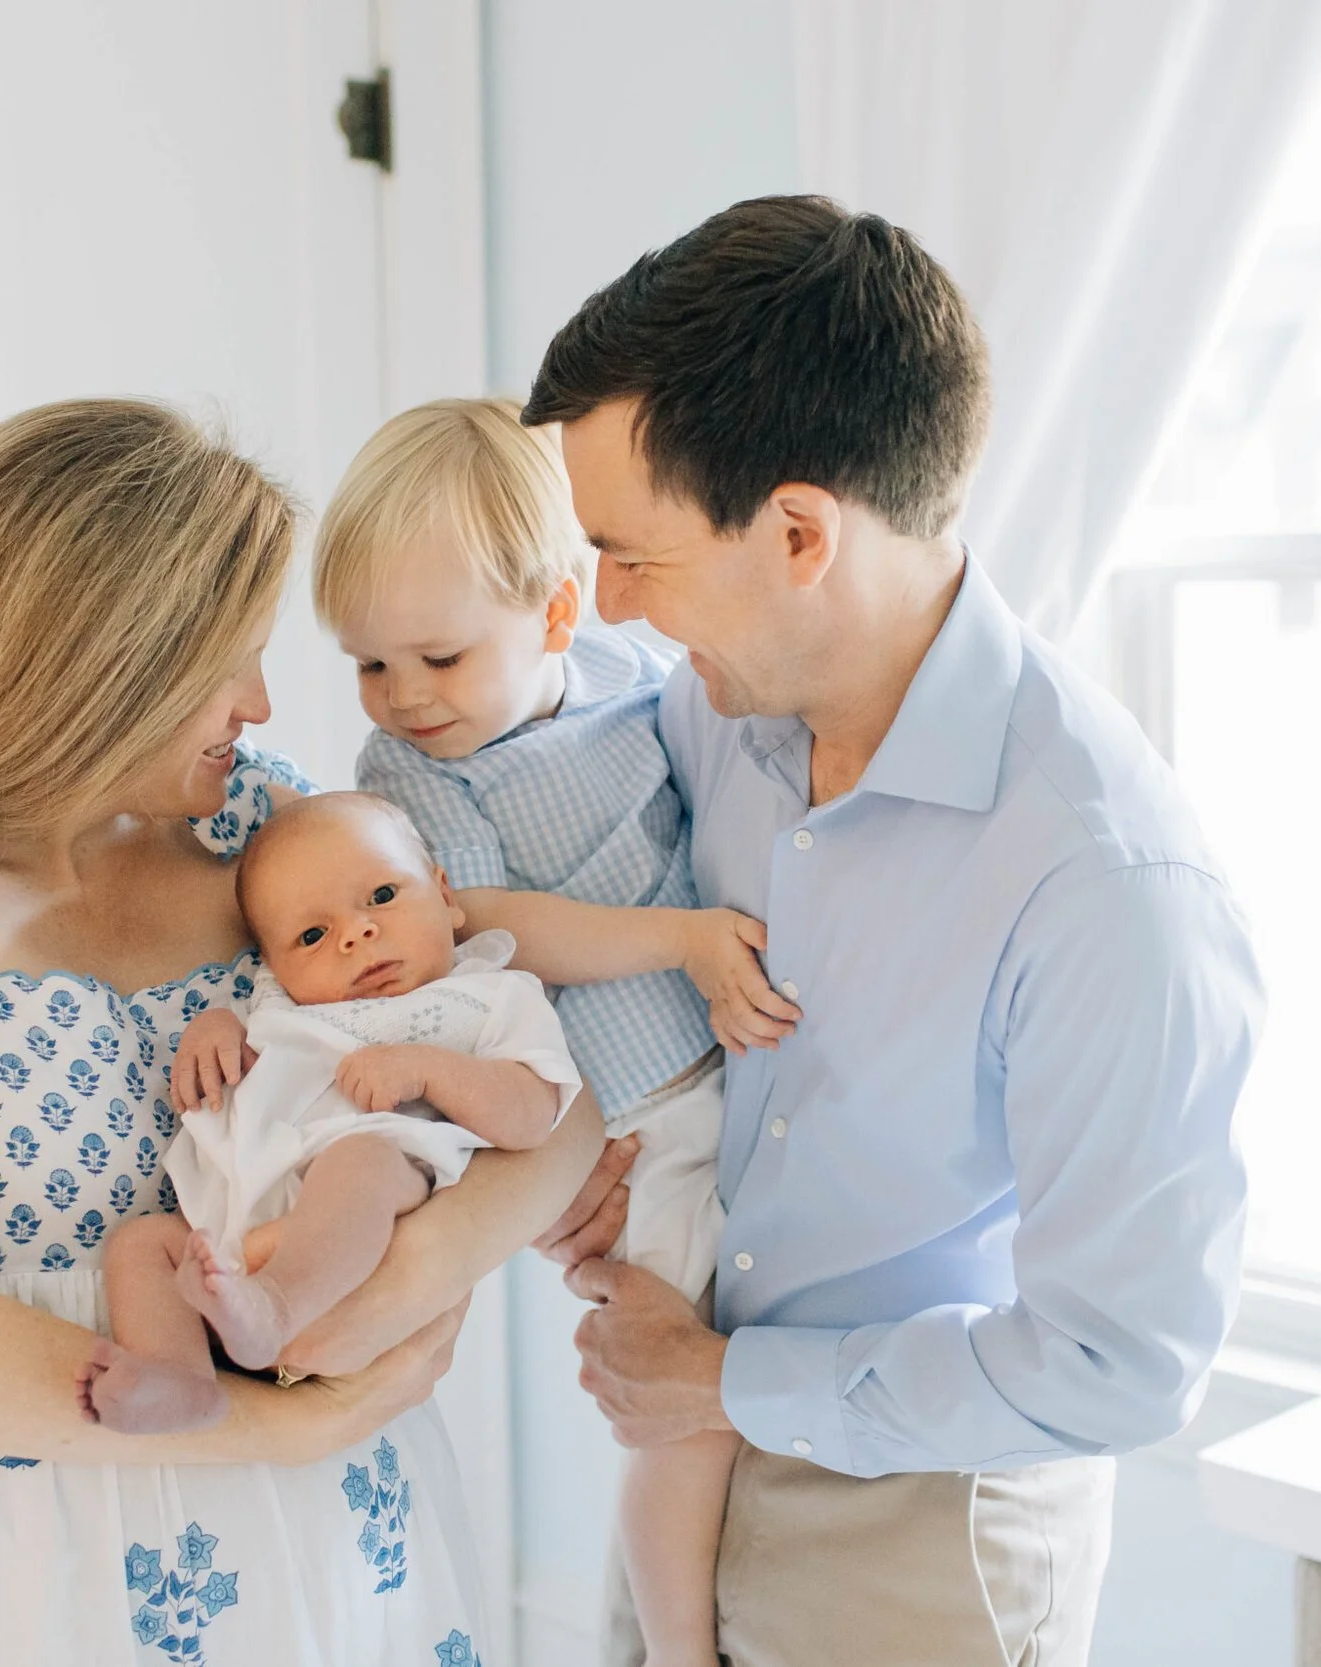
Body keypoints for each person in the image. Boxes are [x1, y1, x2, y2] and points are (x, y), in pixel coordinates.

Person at [0, 399, 603, 1665]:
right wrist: (277, 1427)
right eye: (226, 663)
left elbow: (546, 1089)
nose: (262, 704)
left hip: (326, 1529)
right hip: (23, 1546)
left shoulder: (264, 843)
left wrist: (408, 1281)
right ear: (95, 657)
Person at [524, 196, 1267, 1667]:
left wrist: (733, 1384)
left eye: (636, 555)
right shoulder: (710, 708)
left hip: (923, 1536)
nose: (606, 603)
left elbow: (1122, 1363)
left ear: (800, 530)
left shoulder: (1107, 882)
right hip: (681, 1458)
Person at [314, 398, 798, 1667]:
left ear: (554, 617)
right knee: (678, 1410)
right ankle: (677, 1645)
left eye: (438, 657)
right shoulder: (414, 775)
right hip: (630, 1114)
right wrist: (682, 942)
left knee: (738, 1367)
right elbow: (492, 932)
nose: (403, 697)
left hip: (730, 1081)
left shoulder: (630, 678)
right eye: (370, 664)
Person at [85, 792, 580, 1433]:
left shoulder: (487, 996)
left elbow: (535, 1115)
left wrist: (429, 1067)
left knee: (359, 1161)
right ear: (275, 966)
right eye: (312, 936)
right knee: (142, 1244)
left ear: (444, 892)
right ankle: (181, 1375)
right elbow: (255, 1042)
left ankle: (278, 1307)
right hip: (235, 1220)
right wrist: (215, 1029)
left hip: (377, 1177)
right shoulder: (283, 1005)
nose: (355, 933)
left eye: (381, 896)